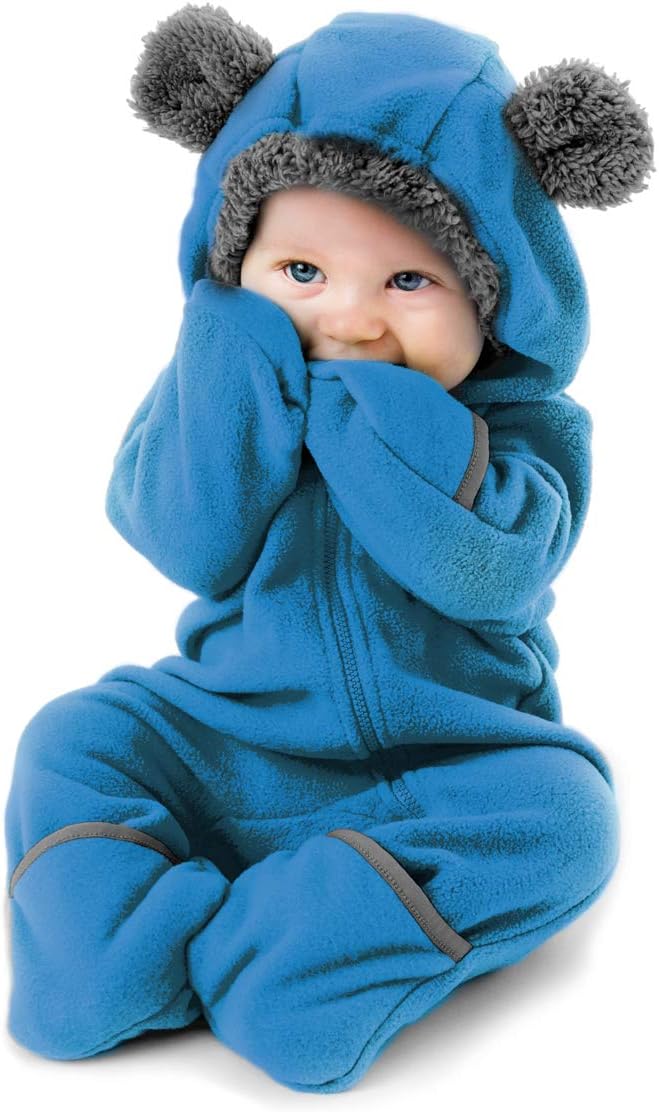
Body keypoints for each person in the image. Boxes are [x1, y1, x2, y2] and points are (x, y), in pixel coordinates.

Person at [4, 5, 654, 1094]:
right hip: (230, 735)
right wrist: (232, 352)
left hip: (446, 765)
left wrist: (373, 414)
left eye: (408, 282)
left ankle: (288, 965)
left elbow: (486, 569)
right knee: (75, 733)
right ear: (236, 263)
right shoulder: (228, 381)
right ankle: (111, 959)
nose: (347, 321)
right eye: (300, 270)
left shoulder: (529, 432)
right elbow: (184, 540)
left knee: (568, 818)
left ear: (493, 299)